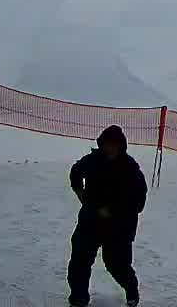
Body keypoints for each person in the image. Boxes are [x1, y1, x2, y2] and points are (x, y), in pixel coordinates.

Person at [68, 124, 146, 306]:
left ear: (121, 146)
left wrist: (112, 211)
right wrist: (81, 193)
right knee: (79, 260)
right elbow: (75, 172)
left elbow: (138, 202)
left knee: (117, 265)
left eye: (114, 145)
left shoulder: (130, 169)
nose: (110, 148)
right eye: (106, 144)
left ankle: (131, 290)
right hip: (90, 220)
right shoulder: (92, 161)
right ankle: (78, 299)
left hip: (119, 226)